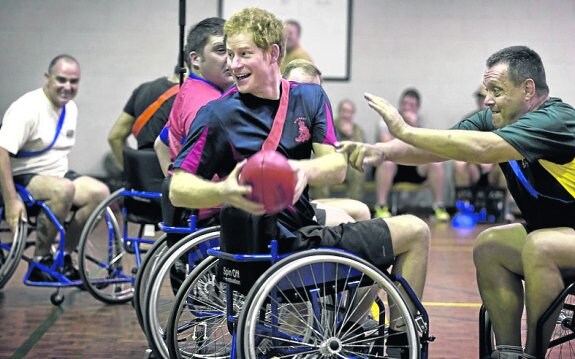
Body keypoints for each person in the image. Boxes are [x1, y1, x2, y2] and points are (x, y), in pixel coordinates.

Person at [169, 7, 430, 353]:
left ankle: (349, 324)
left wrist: (300, 170)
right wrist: (223, 190)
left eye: (244, 54)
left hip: (296, 235)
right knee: (416, 231)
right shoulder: (217, 115)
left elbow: (336, 168)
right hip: (283, 251)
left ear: (273, 53)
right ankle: (401, 346)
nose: (233, 64)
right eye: (230, 54)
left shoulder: (310, 97)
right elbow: (177, 189)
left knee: (356, 213)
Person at [338, 45, 575, 358]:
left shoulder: (556, 120)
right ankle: (508, 352)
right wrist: (382, 152)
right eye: (487, 90)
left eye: (496, 90)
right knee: (490, 245)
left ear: (528, 89)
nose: (487, 99)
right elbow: (443, 147)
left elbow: (481, 149)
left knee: (540, 246)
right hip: (553, 232)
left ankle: (532, 354)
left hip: (559, 237)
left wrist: (405, 129)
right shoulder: (498, 118)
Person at [0, 54, 110, 282]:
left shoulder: (71, 109)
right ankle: (41, 262)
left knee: (100, 193)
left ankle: (63, 256)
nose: (67, 87)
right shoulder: (27, 108)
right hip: (23, 175)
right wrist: (11, 201)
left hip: (57, 175)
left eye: (73, 81)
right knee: (64, 190)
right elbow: (1, 152)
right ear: (47, 78)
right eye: (61, 80)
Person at [282, 59, 371, 223]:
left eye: (313, 92)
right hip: (275, 205)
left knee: (361, 210)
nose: (305, 97)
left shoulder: (318, 114)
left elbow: (336, 168)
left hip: (300, 200)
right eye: (297, 88)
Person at [154, 17, 233, 176]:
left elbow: (160, 144)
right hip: (215, 198)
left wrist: (173, 186)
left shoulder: (189, 88)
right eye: (220, 50)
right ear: (195, 59)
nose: (230, 59)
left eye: (232, 51)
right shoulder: (207, 106)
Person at [373, 88, 450, 221]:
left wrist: (412, 127)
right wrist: (401, 129)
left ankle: (439, 206)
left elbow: (427, 148)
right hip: (394, 164)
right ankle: (381, 206)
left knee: (436, 163)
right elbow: (386, 146)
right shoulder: (386, 120)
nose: (406, 108)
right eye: (404, 104)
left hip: (415, 165)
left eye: (411, 105)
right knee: (387, 162)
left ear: (418, 108)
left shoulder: (422, 123)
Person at [107, 65, 181, 170]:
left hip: (143, 173)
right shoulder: (190, 96)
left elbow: (115, 137)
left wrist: (131, 173)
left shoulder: (143, 89)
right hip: (172, 174)